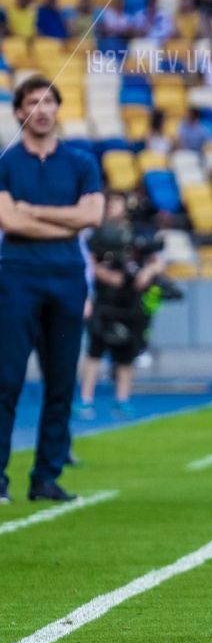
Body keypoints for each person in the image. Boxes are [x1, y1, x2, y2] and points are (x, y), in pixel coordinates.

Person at [0, 75, 104, 504]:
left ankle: (46, 478)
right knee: (6, 381)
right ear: (19, 111)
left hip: (66, 278)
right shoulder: (6, 162)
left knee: (61, 383)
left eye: (49, 102)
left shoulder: (81, 161)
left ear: (58, 109)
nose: (41, 110)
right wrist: (66, 218)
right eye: (32, 103)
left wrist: (33, 212)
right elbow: (9, 221)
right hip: (17, 276)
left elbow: (92, 216)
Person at [77, 193, 165, 419]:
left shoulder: (139, 233)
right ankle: (85, 400)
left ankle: (122, 399)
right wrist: (105, 276)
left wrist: (147, 273)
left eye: (116, 203)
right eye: (109, 203)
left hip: (130, 301)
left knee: (127, 354)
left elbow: (157, 262)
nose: (111, 208)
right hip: (104, 300)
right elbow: (88, 262)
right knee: (94, 351)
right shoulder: (96, 233)